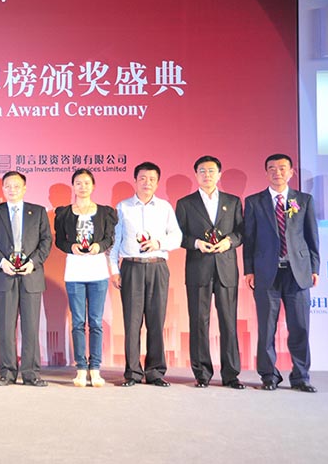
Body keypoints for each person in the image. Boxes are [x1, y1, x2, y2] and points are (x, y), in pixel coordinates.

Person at [243, 153, 320, 392]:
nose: (277, 172)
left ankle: (301, 377)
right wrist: (249, 270)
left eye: (282, 168)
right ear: (266, 172)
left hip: (298, 273)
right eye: (272, 168)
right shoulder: (254, 202)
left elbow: (311, 237)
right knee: (267, 328)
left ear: (291, 172)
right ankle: (269, 376)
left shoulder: (303, 200)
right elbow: (249, 239)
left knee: (300, 327)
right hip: (267, 273)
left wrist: (314, 268)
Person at [109, 162, 182, 387]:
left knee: (156, 321)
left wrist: (159, 243)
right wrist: (115, 270)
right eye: (142, 178)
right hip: (131, 267)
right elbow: (115, 242)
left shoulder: (165, 207)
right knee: (132, 323)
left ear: (157, 183)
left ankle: (155, 372)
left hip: (157, 266)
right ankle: (132, 372)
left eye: (151, 179)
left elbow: (177, 237)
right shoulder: (123, 207)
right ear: (135, 181)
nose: (147, 183)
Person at [175, 156, 245, 389]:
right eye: (202, 171)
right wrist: (196, 243)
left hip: (226, 269)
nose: (207, 175)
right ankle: (202, 374)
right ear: (196, 175)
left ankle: (231, 374)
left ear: (219, 174)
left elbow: (241, 231)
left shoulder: (232, 201)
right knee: (199, 322)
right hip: (198, 268)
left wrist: (229, 242)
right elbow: (177, 235)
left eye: (211, 171)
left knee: (229, 322)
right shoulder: (185, 203)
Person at [0, 171, 51, 387]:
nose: (12, 189)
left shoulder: (38, 212)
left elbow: (46, 241)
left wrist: (33, 262)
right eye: (8, 186)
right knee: (5, 327)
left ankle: (31, 373)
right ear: (2, 189)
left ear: (24, 188)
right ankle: (7, 372)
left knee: (31, 327)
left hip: (31, 275)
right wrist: (2, 262)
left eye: (16, 186)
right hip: (4, 275)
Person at [54, 168, 116, 387]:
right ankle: (81, 368)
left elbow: (109, 238)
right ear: (73, 186)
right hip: (74, 272)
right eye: (78, 183)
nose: (82, 187)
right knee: (78, 322)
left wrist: (99, 246)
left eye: (87, 183)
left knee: (96, 322)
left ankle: (95, 369)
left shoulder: (105, 212)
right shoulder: (64, 213)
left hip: (98, 272)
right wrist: (71, 246)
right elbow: (59, 241)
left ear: (93, 186)